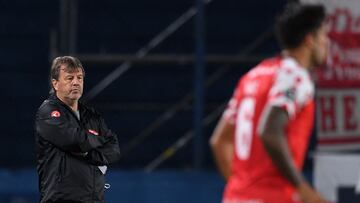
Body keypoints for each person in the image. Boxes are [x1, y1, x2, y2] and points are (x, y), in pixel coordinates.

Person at [210, 2, 329, 203]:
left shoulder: (252, 76)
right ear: (310, 40)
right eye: (324, 36)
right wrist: (303, 189)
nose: (327, 43)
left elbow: (219, 141)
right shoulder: (296, 78)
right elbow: (269, 131)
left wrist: (246, 192)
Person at [34, 56, 121, 203]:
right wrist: (97, 144)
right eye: (69, 78)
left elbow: (114, 149)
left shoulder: (92, 116)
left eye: (79, 78)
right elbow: (75, 141)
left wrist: (88, 153)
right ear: (55, 83)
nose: (76, 82)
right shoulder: (48, 112)